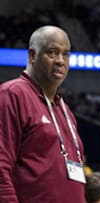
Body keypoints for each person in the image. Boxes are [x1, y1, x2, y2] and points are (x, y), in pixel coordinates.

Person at [0, 25, 85, 202]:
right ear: (32, 55)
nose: (61, 60)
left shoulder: (65, 110)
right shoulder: (11, 95)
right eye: (52, 52)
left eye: (66, 54)